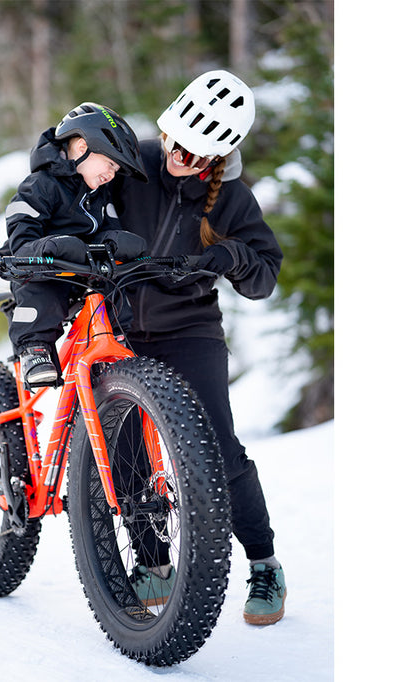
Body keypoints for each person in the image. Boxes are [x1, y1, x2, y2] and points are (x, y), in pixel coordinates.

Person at [110, 70, 287, 625]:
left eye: (195, 153)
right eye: (176, 142)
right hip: (116, 330)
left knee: (217, 449)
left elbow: (265, 277)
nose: (179, 156)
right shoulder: (130, 161)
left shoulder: (231, 198)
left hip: (189, 332)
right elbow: (70, 195)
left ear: (219, 157)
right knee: (125, 451)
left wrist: (229, 257)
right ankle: (155, 563)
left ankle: (264, 564)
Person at [4, 102, 148, 389]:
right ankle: (35, 349)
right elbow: (20, 239)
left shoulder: (99, 194)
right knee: (42, 291)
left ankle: (115, 341)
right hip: (41, 271)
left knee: (115, 286)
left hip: (83, 273)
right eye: (111, 163)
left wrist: (117, 242)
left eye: (117, 168)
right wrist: (53, 247)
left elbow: (109, 229)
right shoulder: (40, 186)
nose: (112, 173)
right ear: (82, 146)